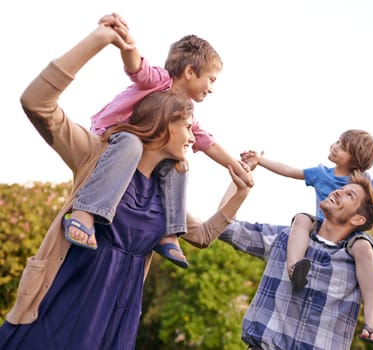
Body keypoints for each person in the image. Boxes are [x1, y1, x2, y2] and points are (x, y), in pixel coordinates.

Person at [0, 19, 253, 350]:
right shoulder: (97, 157)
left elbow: (203, 236)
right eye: (188, 127)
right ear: (164, 124)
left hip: (115, 319)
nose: (194, 137)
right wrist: (99, 40)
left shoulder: (166, 190)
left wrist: (241, 191)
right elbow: (37, 103)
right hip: (58, 306)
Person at [64, 13, 253, 269]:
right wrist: (128, 44)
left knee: (179, 163)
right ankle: (85, 212)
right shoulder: (161, 81)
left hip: (141, 153)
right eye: (211, 79)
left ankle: (169, 233)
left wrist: (237, 167)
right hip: (113, 139)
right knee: (131, 142)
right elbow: (136, 68)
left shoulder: (184, 111)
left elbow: (206, 141)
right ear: (189, 72)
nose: (211, 87)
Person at [240, 129, 373, 345]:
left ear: (355, 159)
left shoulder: (363, 182)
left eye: (343, 146)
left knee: (364, 249)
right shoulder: (321, 173)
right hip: (319, 227)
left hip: (348, 240)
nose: (335, 146)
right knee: (300, 219)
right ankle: (294, 267)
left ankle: (372, 320)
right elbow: (290, 170)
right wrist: (260, 161)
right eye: (337, 141)